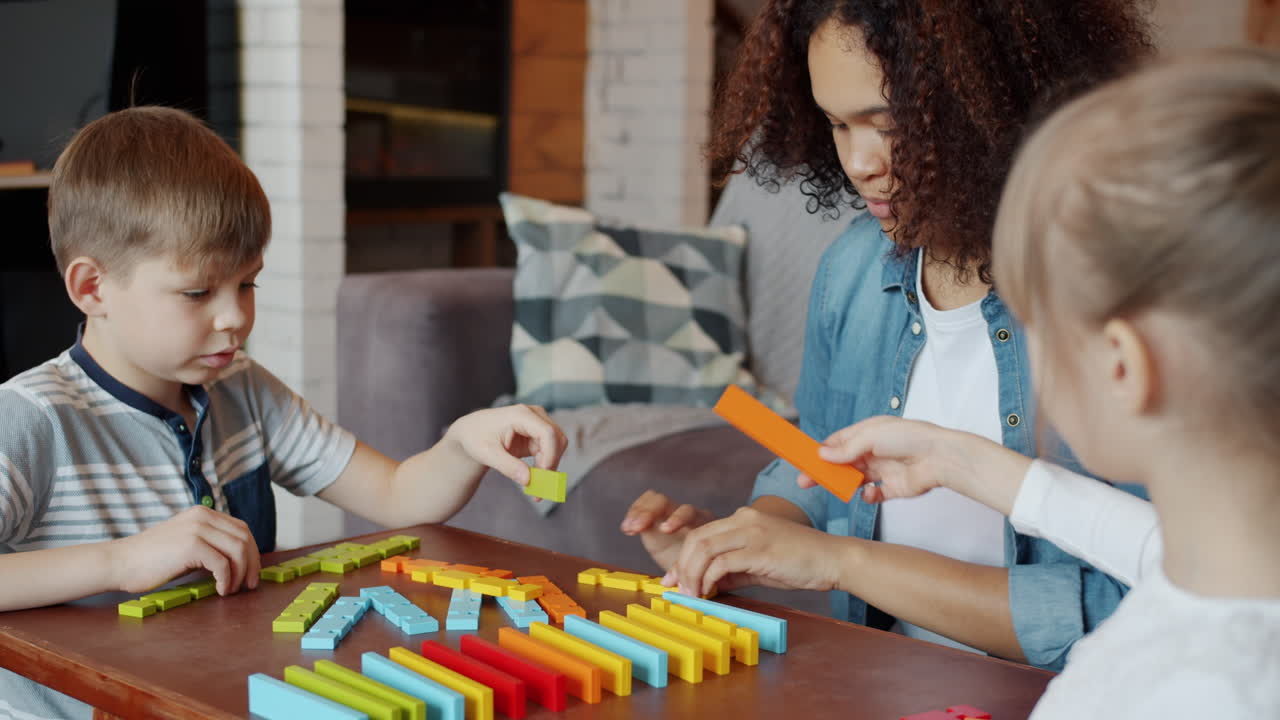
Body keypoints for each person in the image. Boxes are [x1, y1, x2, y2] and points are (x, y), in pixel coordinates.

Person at [622, 0, 1152, 668]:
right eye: (837, 124)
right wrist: (753, 541)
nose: (860, 163)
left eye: (889, 123)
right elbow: (821, 461)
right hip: (883, 680)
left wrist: (840, 562)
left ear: (998, 105)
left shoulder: (1118, 302)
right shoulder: (853, 266)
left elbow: (1135, 604)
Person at [0, 106, 567, 720]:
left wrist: (461, 443)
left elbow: (399, 494)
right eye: (198, 292)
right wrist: (119, 560)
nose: (234, 317)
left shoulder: (244, 390)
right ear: (92, 289)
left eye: (248, 285)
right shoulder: (33, 420)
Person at [804, 47, 1280, 718]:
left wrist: (838, 559)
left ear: (1122, 366)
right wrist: (954, 458)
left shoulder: (1174, 689)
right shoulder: (1225, 570)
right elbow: (1145, 543)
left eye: (1037, 324)